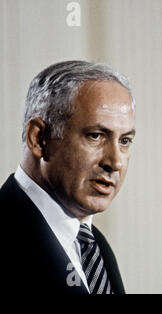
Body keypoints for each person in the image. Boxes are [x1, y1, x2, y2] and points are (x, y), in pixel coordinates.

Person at [0, 60, 136, 294]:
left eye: (124, 141)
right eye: (96, 136)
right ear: (39, 138)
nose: (114, 162)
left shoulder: (95, 246)